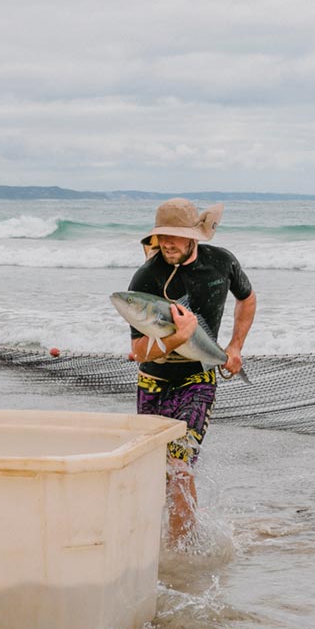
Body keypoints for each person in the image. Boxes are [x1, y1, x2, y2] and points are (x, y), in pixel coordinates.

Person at [127, 198, 257, 546]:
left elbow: (247, 298)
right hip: (153, 380)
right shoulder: (147, 276)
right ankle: (160, 540)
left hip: (198, 378)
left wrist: (235, 347)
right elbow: (139, 352)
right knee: (159, 471)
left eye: (175, 237)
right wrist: (178, 338)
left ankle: (184, 549)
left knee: (180, 464)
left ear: (193, 238)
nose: (167, 243)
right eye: (162, 236)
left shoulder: (222, 262)